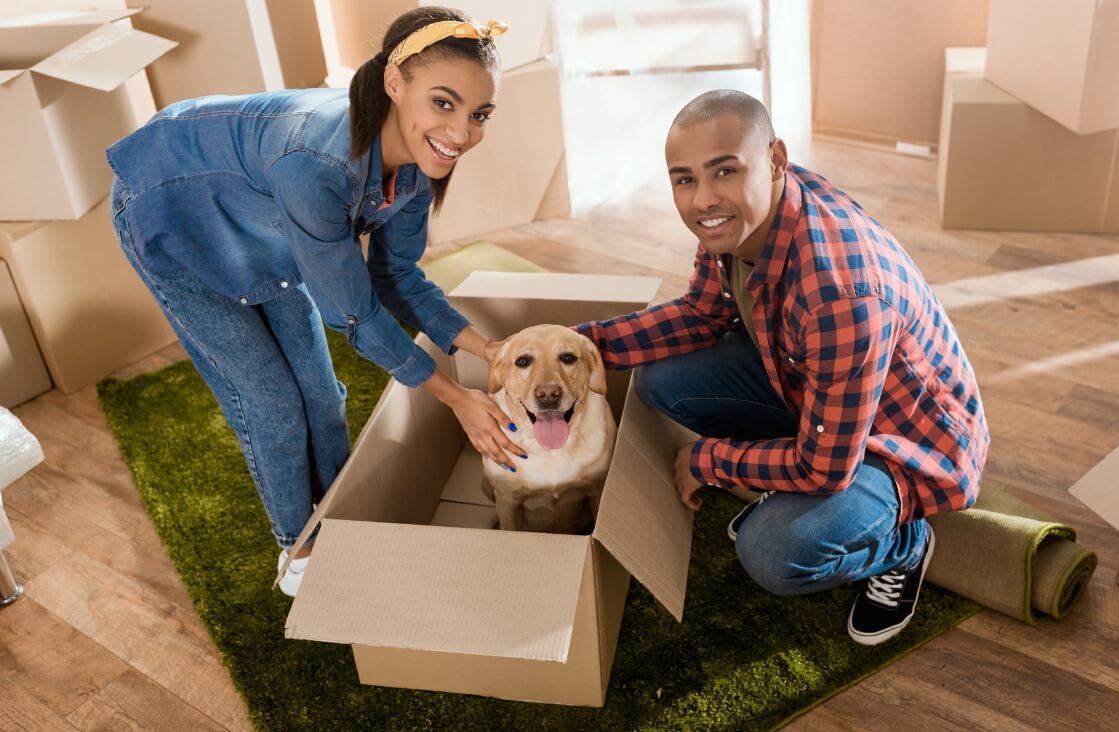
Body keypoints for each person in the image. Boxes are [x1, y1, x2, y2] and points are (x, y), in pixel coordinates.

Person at [106, 7, 527, 596]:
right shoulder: (317, 167)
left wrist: (491, 348)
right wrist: (455, 396)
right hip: (171, 213)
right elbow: (352, 314)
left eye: (479, 114)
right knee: (274, 403)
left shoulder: (414, 171)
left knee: (323, 395)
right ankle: (298, 550)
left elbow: (396, 276)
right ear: (394, 83)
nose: (461, 133)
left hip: (262, 225)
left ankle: (336, 519)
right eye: (444, 103)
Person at [576, 90, 990, 645]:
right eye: (684, 179)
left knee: (773, 553)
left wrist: (711, 460)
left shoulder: (838, 291)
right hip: (821, 393)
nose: (702, 200)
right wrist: (576, 347)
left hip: (904, 444)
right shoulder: (741, 219)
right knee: (663, 378)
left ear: (774, 159)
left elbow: (826, 471)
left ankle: (904, 546)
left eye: (724, 171)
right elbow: (702, 314)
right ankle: (790, 468)